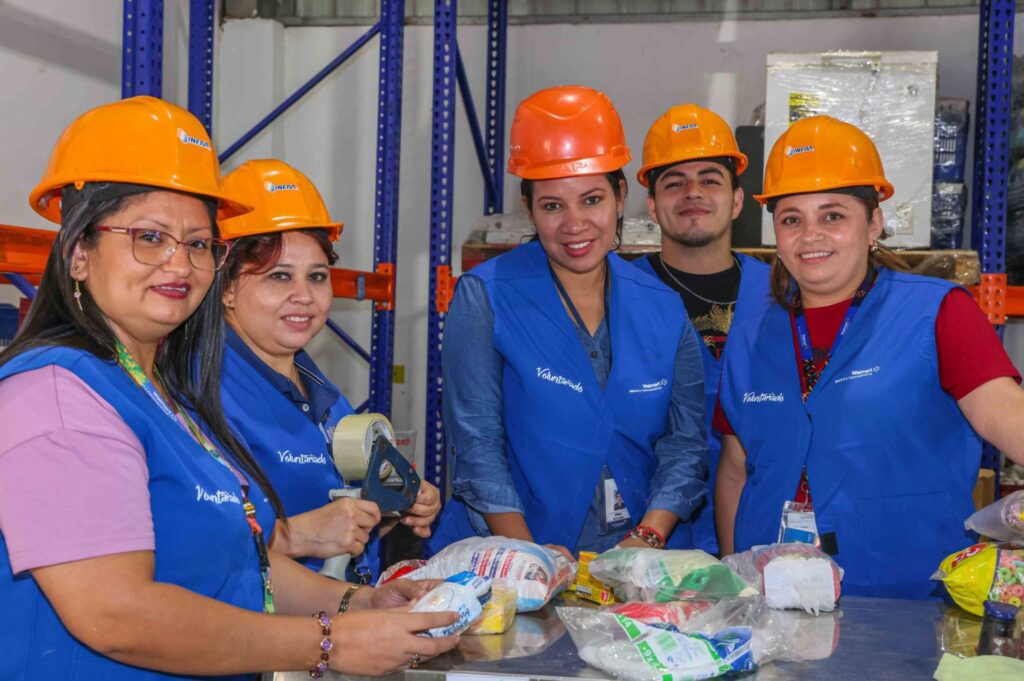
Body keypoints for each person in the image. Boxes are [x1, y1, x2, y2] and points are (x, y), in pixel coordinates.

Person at [0, 96, 457, 680]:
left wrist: (356, 604)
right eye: (149, 236)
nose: (180, 264)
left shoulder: (156, 392)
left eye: (197, 244)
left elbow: (242, 564)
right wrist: (328, 643)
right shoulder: (60, 397)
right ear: (79, 253)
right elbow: (116, 614)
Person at [714, 115, 1024, 599]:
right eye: (791, 218)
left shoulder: (936, 312)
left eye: (832, 215)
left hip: (905, 598)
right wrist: (736, 584)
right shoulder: (753, 334)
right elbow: (736, 467)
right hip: (773, 598)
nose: (810, 235)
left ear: (874, 221)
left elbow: (1003, 410)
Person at [428, 85, 708, 557]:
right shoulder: (486, 297)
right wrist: (531, 559)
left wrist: (647, 539)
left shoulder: (661, 306)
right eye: (553, 205)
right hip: (513, 553)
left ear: (621, 196)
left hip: (636, 558)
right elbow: (477, 448)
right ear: (530, 209)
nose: (575, 224)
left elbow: (685, 444)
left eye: (592, 199)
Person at [217, 159, 441, 582]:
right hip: (264, 632)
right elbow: (190, 540)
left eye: (317, 277)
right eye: (279, 276)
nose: (303, 296)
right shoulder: (203, 395)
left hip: (340, 620)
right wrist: (293, 536)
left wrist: (396, 506)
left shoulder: (323, 393)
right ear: (227, 287)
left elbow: (344, 521)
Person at [632, 104, 771, 555]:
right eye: (674, 183)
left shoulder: (781, 294)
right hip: (644, 530)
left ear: (735, 200)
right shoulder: (617, 295)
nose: (693, 192)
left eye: (710, 179)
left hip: (757, 527)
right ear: (652, 205)